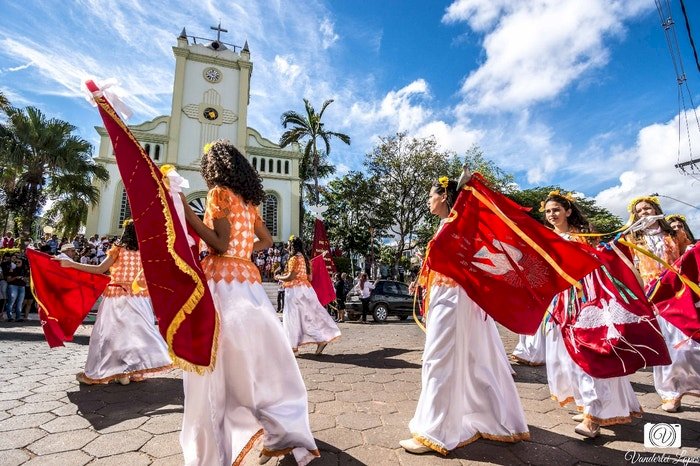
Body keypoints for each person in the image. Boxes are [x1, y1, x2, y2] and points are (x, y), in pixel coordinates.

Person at [179, 140, 318, 466]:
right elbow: (267, 240)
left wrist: (188, 214)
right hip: (248, 282)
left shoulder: (218, 195)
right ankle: (266, 425)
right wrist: (245, 253)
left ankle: (229, 431)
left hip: (222, 282)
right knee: (255, 359)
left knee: (217, 359)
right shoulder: (248, 202)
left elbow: (218, 242)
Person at [400, 175, 529, 455]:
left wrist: (467, 188)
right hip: (446, 296)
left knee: (439, 360)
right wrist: (422, 282)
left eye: (430, 195)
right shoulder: (445, 225)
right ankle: (480, 414)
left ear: (444, 196)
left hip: (456, 298)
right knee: (470, 359)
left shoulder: (459, 223)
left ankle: (435, 431)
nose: (427, 200)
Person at [544, 191, 641, 438]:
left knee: (589, 354)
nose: (551, 214)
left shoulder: (584, 237)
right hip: (561, 302)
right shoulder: (548, 238)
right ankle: (589, 404)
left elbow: (600, 263)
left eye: (556, 209)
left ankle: (593, 416)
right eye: (547, 211)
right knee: (568, 358)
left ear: (568, 211)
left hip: (586, 300)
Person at [56, 220, 171, 385]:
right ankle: (133, 372)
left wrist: (71, 264)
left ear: (126, 233)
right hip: (140, 298)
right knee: (137, 334)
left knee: (110, 335)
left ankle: (112, 371)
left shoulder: (118, 250)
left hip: (117, 297)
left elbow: (99, 269)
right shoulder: (147, 252)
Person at [627, 196, 699, 413]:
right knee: (665, 347)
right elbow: (630, 268)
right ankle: (670, 394)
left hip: (677, 293)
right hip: (653, 296)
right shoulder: (633, 239)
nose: (644, 213)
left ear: (656, 209)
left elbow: (690, 258)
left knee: (689, 344)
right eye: (639, 211)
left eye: (647, 208)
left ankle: (693, 385)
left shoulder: (675, 234)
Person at [276, 236, 341, 356]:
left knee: (293, 318)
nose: (288, 246)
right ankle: (321, 339)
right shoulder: (306, 260)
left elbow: (290, 277)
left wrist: (279, 277)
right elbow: (310, 278)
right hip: (306, 290)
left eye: (289, 244)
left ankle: (294, 348)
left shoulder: (294, 259)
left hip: (294, 291)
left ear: (292, 246)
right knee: (307, 317)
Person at [4, 254, 27, 322]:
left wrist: (23, 278)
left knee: (20, 302)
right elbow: (8, 280)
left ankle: (18, 317)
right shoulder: (12, 269)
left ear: (22, 263)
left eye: (19, 262)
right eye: (16, 262)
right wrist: (16, 277)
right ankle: (10, 317)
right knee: (11, 301)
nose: (17, 263)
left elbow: (27, 280)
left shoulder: (24, 270)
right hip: (13, 286)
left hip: (22, 286)